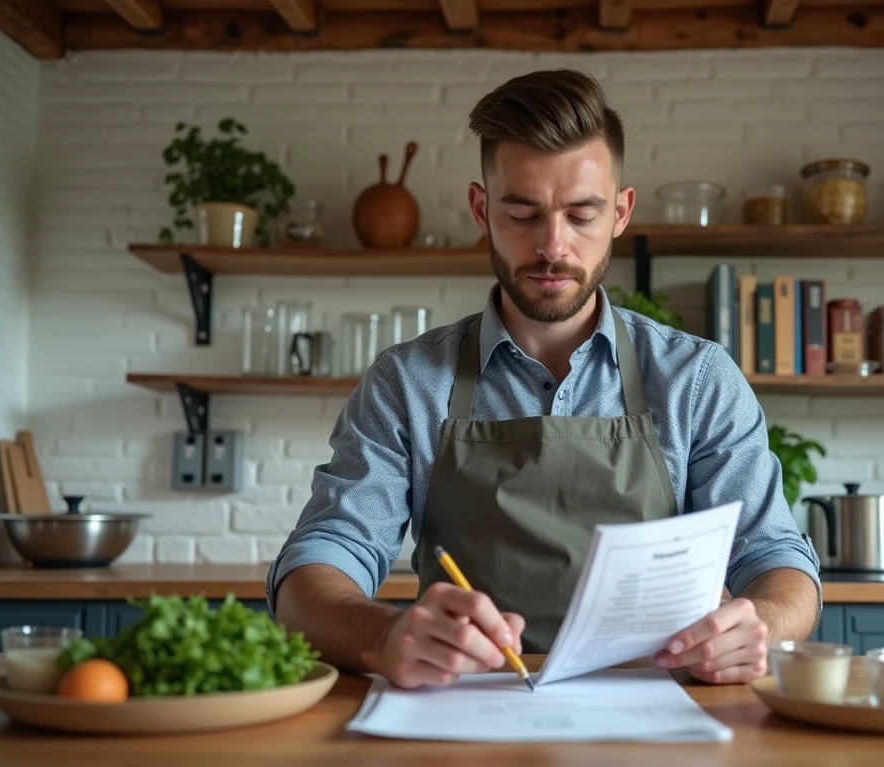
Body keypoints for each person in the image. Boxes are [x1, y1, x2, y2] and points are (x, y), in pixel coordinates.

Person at [267, 67, 822, 690]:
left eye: (581, 214)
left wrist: (762, 624)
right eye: (523, 213)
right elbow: (314, 569)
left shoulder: (695, 379)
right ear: (482, 209)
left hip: (655, 716)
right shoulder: (408, 382)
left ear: (620, 211)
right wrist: (382, 635)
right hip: (465, 722)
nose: (553, 246)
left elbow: (776, 559)